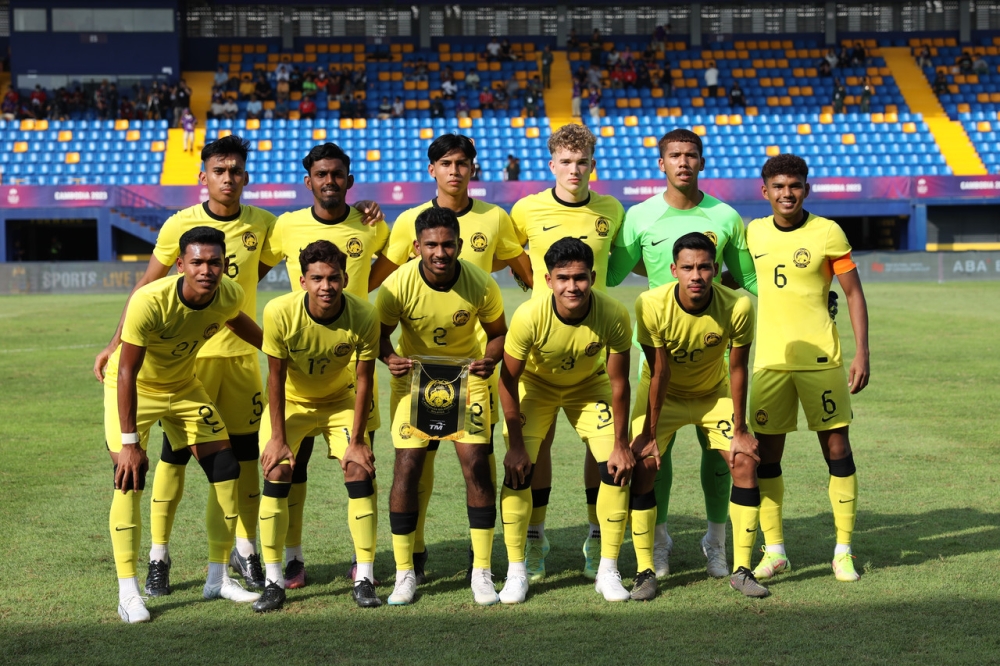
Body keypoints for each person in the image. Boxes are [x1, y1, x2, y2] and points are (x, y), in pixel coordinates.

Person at [93, 136, 278, 598]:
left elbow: (246, 306)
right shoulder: (179, 227)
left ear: (246, 176)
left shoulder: (262, 227)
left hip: (221, 367)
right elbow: (145, 290)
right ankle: (152, 563)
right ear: (204, 176)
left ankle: (236, 558)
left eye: (236, 170)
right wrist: (115, 342)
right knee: (156, 464)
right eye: (219, 170)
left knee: (236, 463)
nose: (228, 178)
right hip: (167, 371)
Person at [368, 134, 532, 584]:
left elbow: (526, 274)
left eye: (462, 163)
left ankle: (483, 563)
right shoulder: (409, 223)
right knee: (412, 467)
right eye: (446, 163)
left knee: (478, 462)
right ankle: (411, 560)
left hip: (472, 370)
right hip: (418, 372)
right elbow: (378, 283)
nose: (455, 171)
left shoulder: (494, 219)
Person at [606, 128, 759, 580]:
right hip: (658, 354)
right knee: (656, 456)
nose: (683, 162)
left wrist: (711, 292)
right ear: (662, 163)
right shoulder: (640, 216)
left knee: (720, 455)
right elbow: (611, 272)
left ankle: (716, 541)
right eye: (674, 155)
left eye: (691, 155)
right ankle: (660, 542)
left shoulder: (726, 215)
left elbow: (746, 277)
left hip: (712, 357)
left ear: (702, 162)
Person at [102, 226, 264, 623]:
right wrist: (129, 443)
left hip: (184, 386)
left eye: (215, 262)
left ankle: (217, 578)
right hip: (136, 388)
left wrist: (277, 351)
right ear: (180, 265)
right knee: (130, 478)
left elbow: (235, 320)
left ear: (224, 265)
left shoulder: (228, 293)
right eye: (197, 262)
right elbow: (126, 372)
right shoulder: (149, 301)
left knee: (226, 468)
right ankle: (128, 592)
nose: (206, 270)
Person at [260, 142, 386, 587]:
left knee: (359, 465)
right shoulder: (286, 225)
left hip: (348, 373)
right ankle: (289, 561)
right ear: (308, 181)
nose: (329, 180)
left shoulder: (371, 223)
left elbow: (393, 263)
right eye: (321, 174)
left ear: (349, 180)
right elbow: (253, 271)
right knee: (289, 469)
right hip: (299, 372)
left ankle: (362, 565)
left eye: (336, 174)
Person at [509, 123, 626, 582]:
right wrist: (531, 281)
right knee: (535, 449)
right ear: (551, 164)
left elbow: (623, 262)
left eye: (582, 162)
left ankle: (597, 536)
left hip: (590, 356)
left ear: (592, 165)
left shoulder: (611, 210)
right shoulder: (525, 209)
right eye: (565, 162)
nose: (574, 170)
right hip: (539, 356)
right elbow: (503, 249)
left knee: (601, 452)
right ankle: (534, 537)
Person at [746, 154, 870, 585]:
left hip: (822, 361)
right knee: (766, 458)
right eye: (779, 186)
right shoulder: (753, 232)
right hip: (771, 362)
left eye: (794, 185)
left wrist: (862, 353)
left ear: (806, 189)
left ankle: (843, 551)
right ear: (765, 191)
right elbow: (738, 278)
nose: (787, 193)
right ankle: (775, 550)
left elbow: (853, 293)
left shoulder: (828, 232)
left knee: (837, 450)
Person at [376, 207, 509, 606]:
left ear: (459, 245)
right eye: (431, 245)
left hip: (466, 379)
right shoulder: (397, 285)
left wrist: (490, 358)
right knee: (407, 467)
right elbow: (378, 336)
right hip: (415, 381)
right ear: (417, 246)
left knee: (477, 466)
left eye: (447, 244)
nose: (440, 252)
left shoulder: (480, 283)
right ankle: (405, 572)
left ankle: (481, 571)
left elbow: (499, 334)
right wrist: (390, 357)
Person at [628, 232, 765, 601]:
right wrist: (649, 435)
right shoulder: (650, 304)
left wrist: (740, 429)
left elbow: (738, 368)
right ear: (674, 270)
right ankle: (647, 566)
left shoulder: (738, 306)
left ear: (716, 270)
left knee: (744, 460)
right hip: (664, 395)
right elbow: (659, 373)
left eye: (704, 267)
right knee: (644, 463)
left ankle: (734, 562)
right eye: (688, 267)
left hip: (712, 395)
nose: (696, 275)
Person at [498, 238, 635, 604]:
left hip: (589, 387)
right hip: (536, 386)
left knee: (615, 468)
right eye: (563, 278)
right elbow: (507, 380)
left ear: (592, 277)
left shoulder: (613, 313)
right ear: (548, 280)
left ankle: (607, 568)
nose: (572, 286)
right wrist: (515, 445)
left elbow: (619, 383)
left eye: (579, 277)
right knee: (518, 472)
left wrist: (621, 444)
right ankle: (518, 569)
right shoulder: (529, 316)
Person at [254, 240, 381, 612]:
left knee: (359, 470)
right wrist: (278, 439)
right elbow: (275, 378)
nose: (326, 286)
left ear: (344, 279)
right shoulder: (279, 312)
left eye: (333, 278)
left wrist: (357, 441)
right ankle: (274, 580)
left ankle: (364, 576)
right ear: (302, 281)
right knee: (277, 470)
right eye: (317, 278)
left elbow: (364, 379)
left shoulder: (364, 314)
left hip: (340, 400)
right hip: (293, 401)